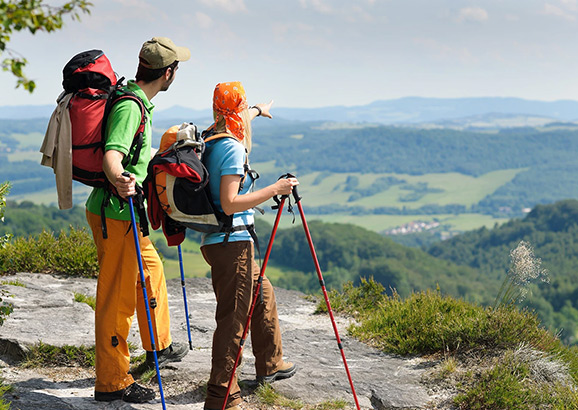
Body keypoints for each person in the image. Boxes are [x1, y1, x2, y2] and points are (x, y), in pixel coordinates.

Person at [85, 37, 191, 404]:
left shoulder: (136, 100)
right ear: (168, 73)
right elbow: (112, 154)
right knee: (117, 297)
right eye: (177, 69)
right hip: (116, 213)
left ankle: (158, 346)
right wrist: (121, 178)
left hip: (124, 213)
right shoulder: (130, 107)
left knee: (151, 272)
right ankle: (112, 381)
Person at [201, 81, 299, 410]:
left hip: (222, 241)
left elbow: (238, 117)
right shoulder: (231, 147)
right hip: (232, 243)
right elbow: (229, 202)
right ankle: (222, 396)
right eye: (244, 109)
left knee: (263, 293)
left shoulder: (212, 135)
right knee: (233, 321)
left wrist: (258, 110)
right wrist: (276, 188)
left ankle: (271, 364)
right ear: (236, 111)